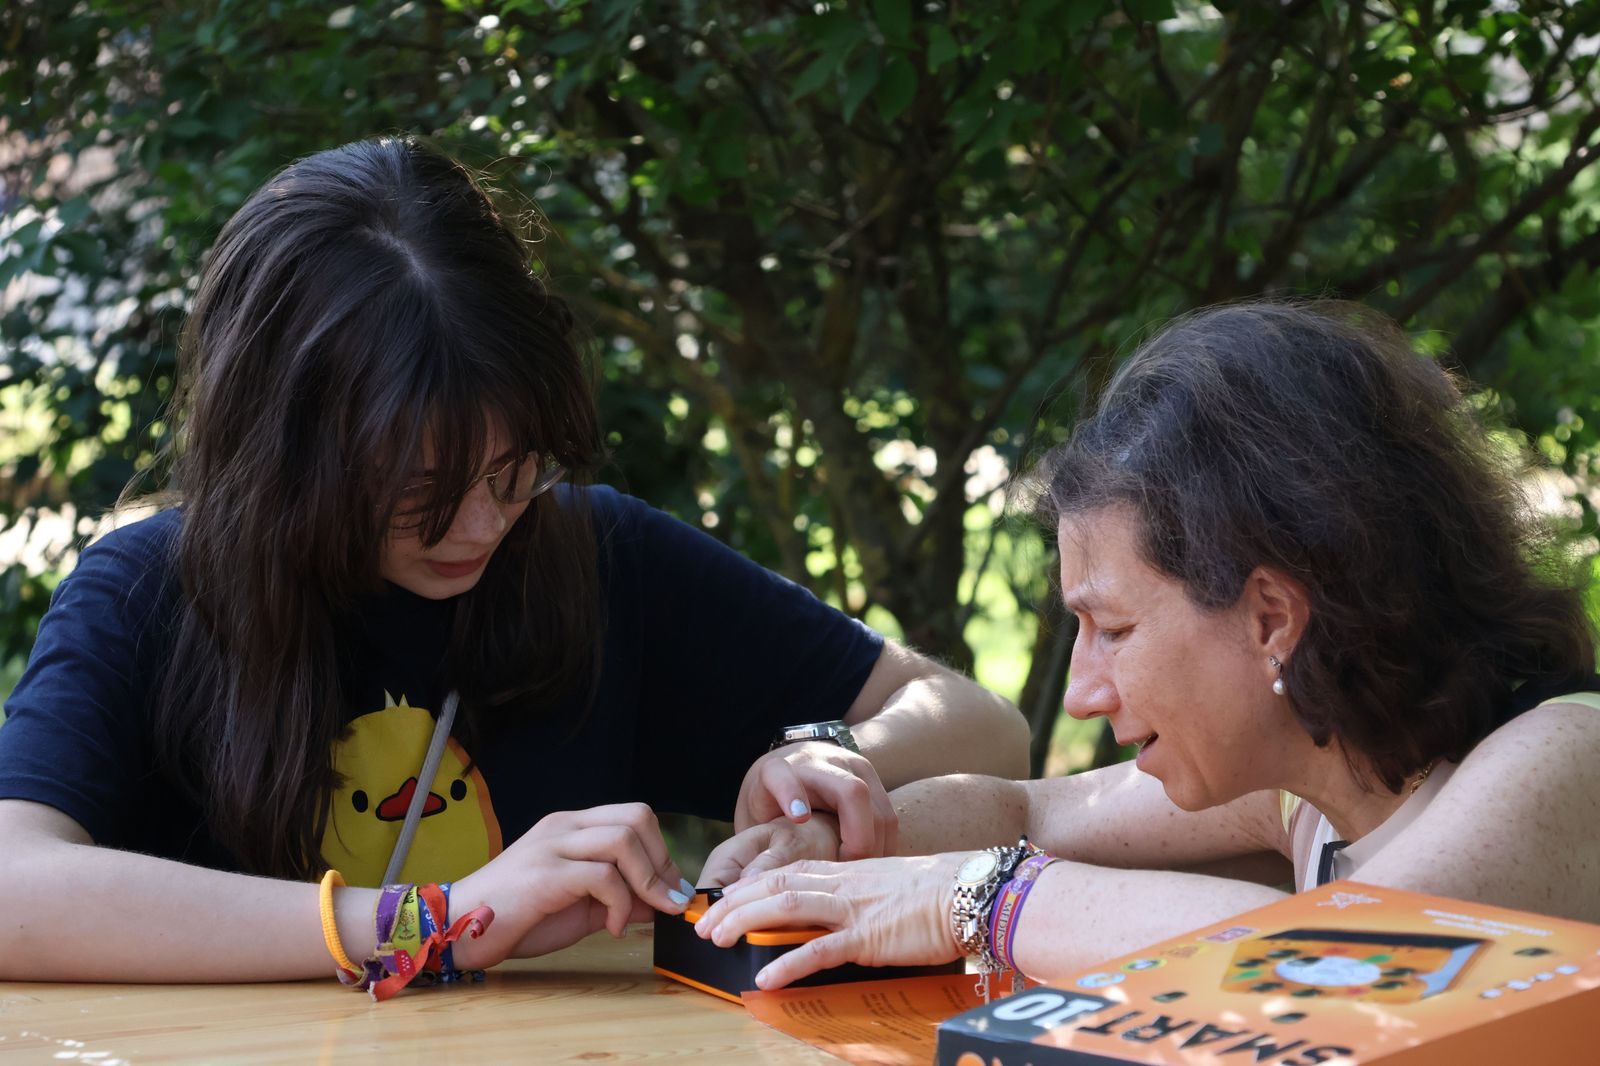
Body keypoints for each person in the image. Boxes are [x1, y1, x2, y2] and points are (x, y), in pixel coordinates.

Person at [0, 137, 1029, 990]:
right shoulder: (153, 593)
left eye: (513, 468)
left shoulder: (593, 557)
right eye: (421, 496)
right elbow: (15, 888)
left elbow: (986, 723)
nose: (481, 528)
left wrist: (830, 750)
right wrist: (436, 918)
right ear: (285, 457)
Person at [694, 300, 1600, 993]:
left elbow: (1344, 955)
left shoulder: (1562, 754)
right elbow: (1026, 811)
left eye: (1115, 630)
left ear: (1271, 619)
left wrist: (975, 898)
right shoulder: (1319, 786)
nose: (1084, 692)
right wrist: (820, 845)